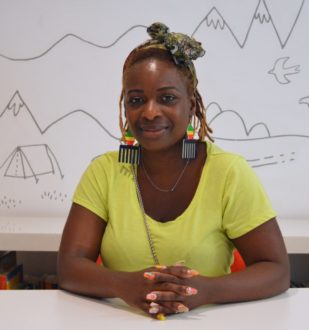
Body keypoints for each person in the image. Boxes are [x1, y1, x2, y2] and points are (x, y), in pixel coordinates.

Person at [57, 22, 290, 319]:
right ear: (125, 107)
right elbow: (69, 267)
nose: (150, 112)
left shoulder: (229, 172)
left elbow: (276, 270)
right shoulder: (104, 172)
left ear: (191, 105)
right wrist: (124, 284)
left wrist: (204, 290)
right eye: (136, 100)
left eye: (167, 98)